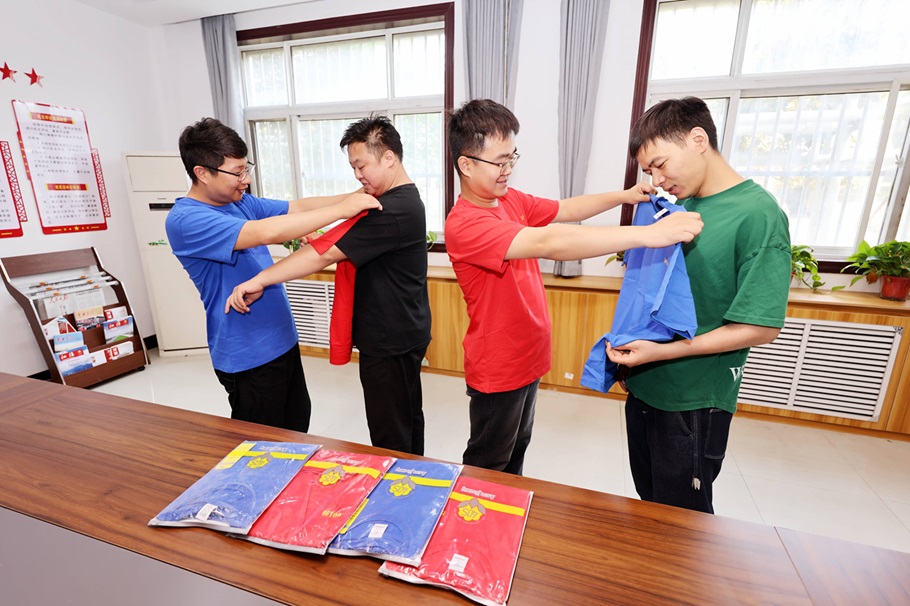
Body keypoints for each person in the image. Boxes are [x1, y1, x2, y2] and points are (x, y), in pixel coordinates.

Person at [444, 98, 704, 475]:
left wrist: (623, 196)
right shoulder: (465, 225)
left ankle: (506, 507)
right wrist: (648, 235)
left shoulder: (508, 200)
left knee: (516, 449)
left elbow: (566, 209)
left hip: (527, 356)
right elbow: (550, 241)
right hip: (498, 365)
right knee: (488, 464)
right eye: (500, 162)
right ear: (466, 165)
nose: (508, 170)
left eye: (512, 158)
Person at [607, 96, 791, 514]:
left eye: (660, 164)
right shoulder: (679, 207)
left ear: (697, 139)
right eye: (649, 172)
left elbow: (762, 327)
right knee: (651, 508)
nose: (657, 180)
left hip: (692, 400)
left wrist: (663, 352)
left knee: (683, 522)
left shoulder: (758, 215)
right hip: (647, 385)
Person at [225, 116, 431, 455]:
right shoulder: (403, 199)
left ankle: (399, 481)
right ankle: (415, 474)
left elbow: (324, 255)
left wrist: (260, 279)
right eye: (353, 168)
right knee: (407, 417)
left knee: (390, 431)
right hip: (404, 330)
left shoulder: (391, 208)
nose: (358, 176)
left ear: (389, 158)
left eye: (361, 165)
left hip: (390, 339)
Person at [166, 117, 380, 432]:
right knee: (262, 444)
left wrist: (357, 194)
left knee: (296, 428)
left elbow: (297, 207)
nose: (246, 180)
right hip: (247, 353)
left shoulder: (238, 202)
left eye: (247, 169)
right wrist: (342, 210)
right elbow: (266, 231)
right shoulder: (186, 220)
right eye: (237, 172)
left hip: (282, 340)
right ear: (202, 173)